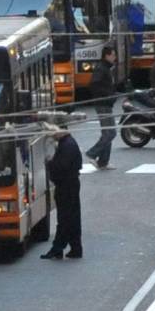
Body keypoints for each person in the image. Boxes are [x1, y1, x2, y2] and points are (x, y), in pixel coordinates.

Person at [40, 125, 83, 260]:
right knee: (72, 217)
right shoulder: (68, 143)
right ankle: (75, 248)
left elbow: (62, 166)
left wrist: (49, 163)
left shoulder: (67, 145)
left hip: (66, 185)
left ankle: (58, 248)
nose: (52, 135)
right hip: (69, 184)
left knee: (65, 218)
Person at [85, 45, 120, 170]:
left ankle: (103, 162)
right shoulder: (101, 68)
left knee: (107, 132)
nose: (115, 58)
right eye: (113, 55)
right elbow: (95, 84)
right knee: (110, 133)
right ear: (107, 55)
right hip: (103, 103)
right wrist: (108, 94)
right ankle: (92, 153)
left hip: (105, 103)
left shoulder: (105, 67)